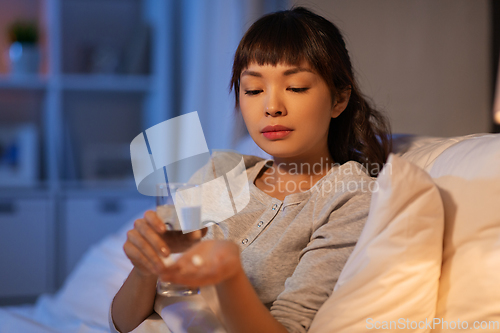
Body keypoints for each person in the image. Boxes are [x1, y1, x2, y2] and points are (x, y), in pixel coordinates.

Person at [110, 6, 391, 333]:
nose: (271, 107)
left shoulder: (349, 198)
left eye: (296, 87)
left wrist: (228, 276)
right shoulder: (220, 172)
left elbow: (287, 326)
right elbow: (122, 322)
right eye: (254, 90)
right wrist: (147, 265)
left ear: (339, 99)